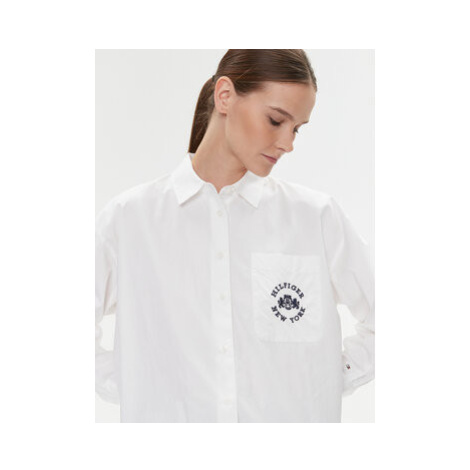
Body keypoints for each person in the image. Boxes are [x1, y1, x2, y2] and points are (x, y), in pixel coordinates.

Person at [95, 49, 375, 423]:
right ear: (225, 96)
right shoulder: (130, 220)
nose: (288, 143)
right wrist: (133, 385)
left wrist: (323, 380)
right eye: (276, 120)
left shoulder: (316, 218)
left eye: (296, 129)